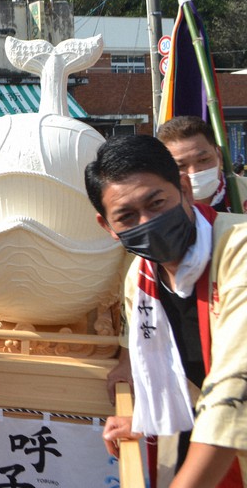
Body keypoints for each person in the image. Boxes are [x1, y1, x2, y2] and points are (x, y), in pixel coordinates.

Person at [85, 134, 246, 488]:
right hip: (205, 438)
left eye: (156, 203)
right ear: (107, 227)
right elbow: (179, 377)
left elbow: (236, 383)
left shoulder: (239, 249)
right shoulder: (140, 278)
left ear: (184, 190)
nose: (148, 221)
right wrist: (147, 418)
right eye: (127, 216)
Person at [158, 116, 232, 211]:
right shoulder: (159, 207)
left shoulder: (243, 192)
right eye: (181, 166)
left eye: (203, 160)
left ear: (219, 155)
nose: (194, 171)